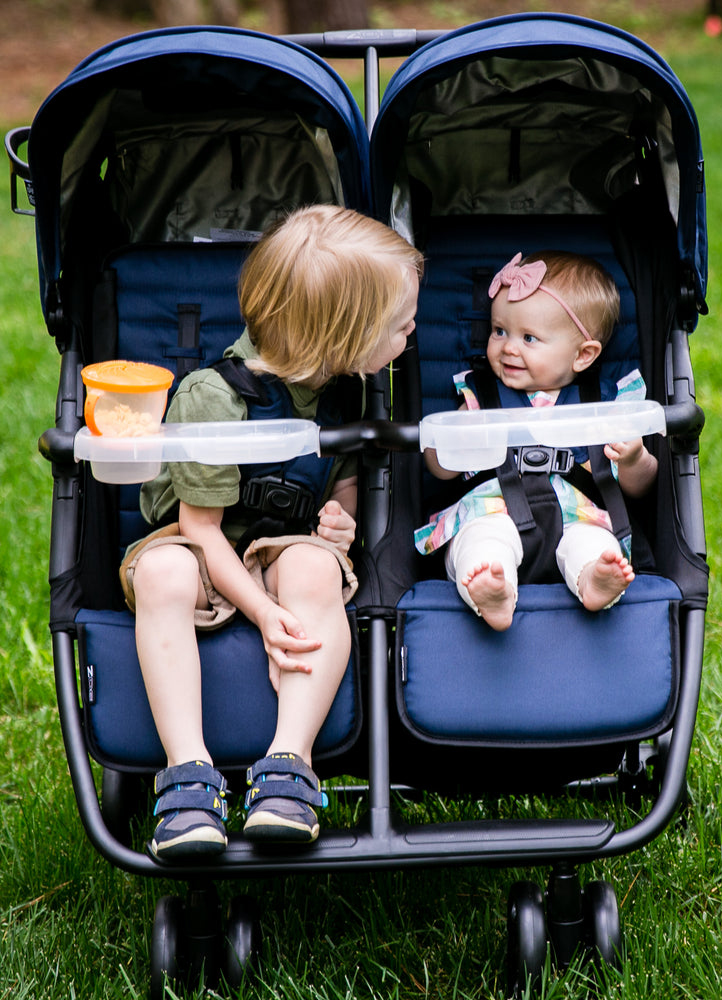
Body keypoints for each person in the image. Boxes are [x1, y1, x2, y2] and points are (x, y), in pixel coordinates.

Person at [119, 205, 423, 859]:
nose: (412, 334)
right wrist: (259, 611)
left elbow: (339, 478)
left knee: (314, 569)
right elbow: (197, 528)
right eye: (400, 327)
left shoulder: (346, 392)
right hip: (204, 543)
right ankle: (188, 775)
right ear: (341, 339)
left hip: (284, 544)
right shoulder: (211, 399)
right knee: (159, 572)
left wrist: (339, 516)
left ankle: (290, 766)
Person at [415, 250, 657, 631]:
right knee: (480, 542)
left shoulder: (605, 405)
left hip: (576, 514)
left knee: (594, 543)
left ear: (583, 355)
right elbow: (439, 469)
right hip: (493, 509)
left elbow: (639, 487)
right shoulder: (479, 397)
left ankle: (595, 579)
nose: (508, 347)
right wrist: (456, 437)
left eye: (529, 338)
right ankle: (493, 590)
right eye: (499, 331)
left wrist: (632, 459)